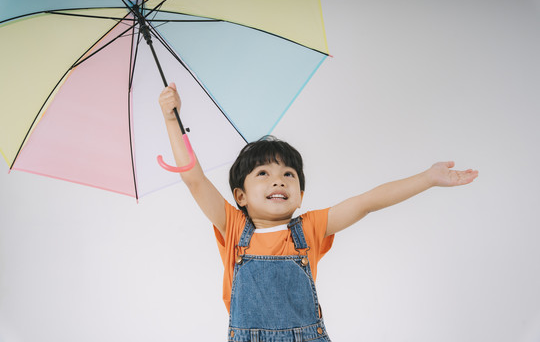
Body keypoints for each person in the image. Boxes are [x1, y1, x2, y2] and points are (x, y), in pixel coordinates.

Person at [158, 83, 479, 341]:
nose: (277, 181)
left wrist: (427, 178)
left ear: (300, 196)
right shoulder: (232, 226)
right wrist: (173, 120)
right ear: (239, 195)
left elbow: (366, 202)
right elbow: (194, 179)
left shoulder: (310, 227)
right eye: (263, 174)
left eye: (288, 174)